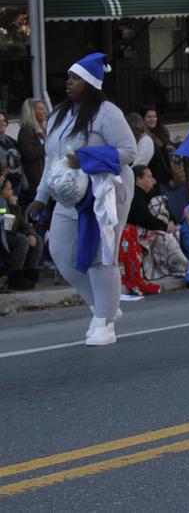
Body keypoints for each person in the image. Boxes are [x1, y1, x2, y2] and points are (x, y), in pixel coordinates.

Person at [26, 53, 136, 346]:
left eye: (75, 78)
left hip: (104, 193)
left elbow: (128, 152)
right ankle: (103, 306)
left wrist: (86, 159)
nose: (68, 83)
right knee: (62, 252)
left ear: (89, 83)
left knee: (102, 257)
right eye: (69, 77)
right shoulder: (59, 114)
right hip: (68, 194)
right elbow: (52, 160)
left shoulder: (107, 112)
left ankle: (105, 321)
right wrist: (40, 198)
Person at [128, 165, 187, 279]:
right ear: (138, 180)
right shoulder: (135, 195)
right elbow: (145, 219)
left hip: (146, 229)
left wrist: (169, 224)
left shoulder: (146, 193)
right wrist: (165, 227)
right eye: (149, 176)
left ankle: (171, 268)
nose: (153, 180)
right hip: (135, 233)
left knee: (177, 232)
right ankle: (182, 268)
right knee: (165, 237)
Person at [0, 177, 41, 290]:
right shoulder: (2, 205)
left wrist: (31, 234)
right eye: (8, 190)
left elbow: (23, 223)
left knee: (36, 239)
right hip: (4, 238)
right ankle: (15, 276)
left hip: (10, 235)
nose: (12, 192)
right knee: (22, 240)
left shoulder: (9, 202)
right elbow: (8, 227)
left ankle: (31, 274)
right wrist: (13, 207)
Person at [17, 98, 47, 204]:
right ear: (31, 112)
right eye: (41, 109)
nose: (45, 111)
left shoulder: (41, 130)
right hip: (34, 181)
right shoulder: (26, 131)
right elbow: (29, 154)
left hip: (44, 178)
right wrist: (48, 145)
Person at [140, 104, 174, 186]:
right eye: (149, 117)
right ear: (143, 119)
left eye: (154, 116)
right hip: (149, 178)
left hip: (163, 178)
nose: (153, 119)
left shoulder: (162, 133)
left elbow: (166, 158)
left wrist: (170, 177)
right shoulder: (142, 136)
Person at [0, 111, 25, 200]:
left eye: (3, 121)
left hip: (17, 186)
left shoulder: (10, 140)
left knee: (16, 211)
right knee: (3, 212)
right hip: (4, 191)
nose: (2, 123)